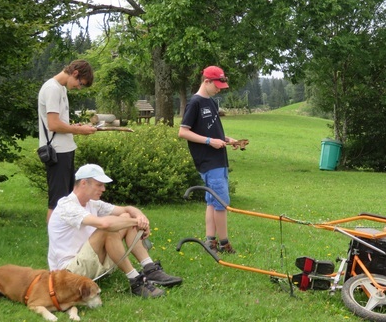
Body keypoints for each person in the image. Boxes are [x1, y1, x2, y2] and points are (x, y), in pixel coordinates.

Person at [48, 164, 182, 298]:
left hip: (89, 262)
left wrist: (141, 217)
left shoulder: (93, 203)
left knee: (125, 218)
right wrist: (137, 222)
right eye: (99, 184)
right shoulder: (66, 205)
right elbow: (104, 224)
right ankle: (135, 280)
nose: (103, 189)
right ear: (83, 183)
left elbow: (127, 209)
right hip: (67, 273)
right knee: (109, 229)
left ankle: (150, 269)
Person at [178, 66, 240, 255]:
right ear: (207, 81)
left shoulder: (212, 103)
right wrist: (208, 142)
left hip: (219, 159)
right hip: (207, 161)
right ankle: (224, 244)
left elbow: (212, 132)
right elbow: (183, 132)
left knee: (212, 202)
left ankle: (210, 241)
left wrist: (228, 139)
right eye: (217, 85)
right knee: (222, 202)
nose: (220, 89)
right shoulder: (195, 103)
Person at [38, 60, 97, 223]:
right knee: (57, 202)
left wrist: (73, 126)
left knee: (67, 199)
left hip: (65, 150)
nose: (79, 87)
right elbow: (53, 124)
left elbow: (59, 122)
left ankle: (64, 239)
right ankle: (54, 245)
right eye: (80, 83)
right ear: (75, 73)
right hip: (57, 153)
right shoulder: (52, 89)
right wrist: (80, 130)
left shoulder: (60, 89)